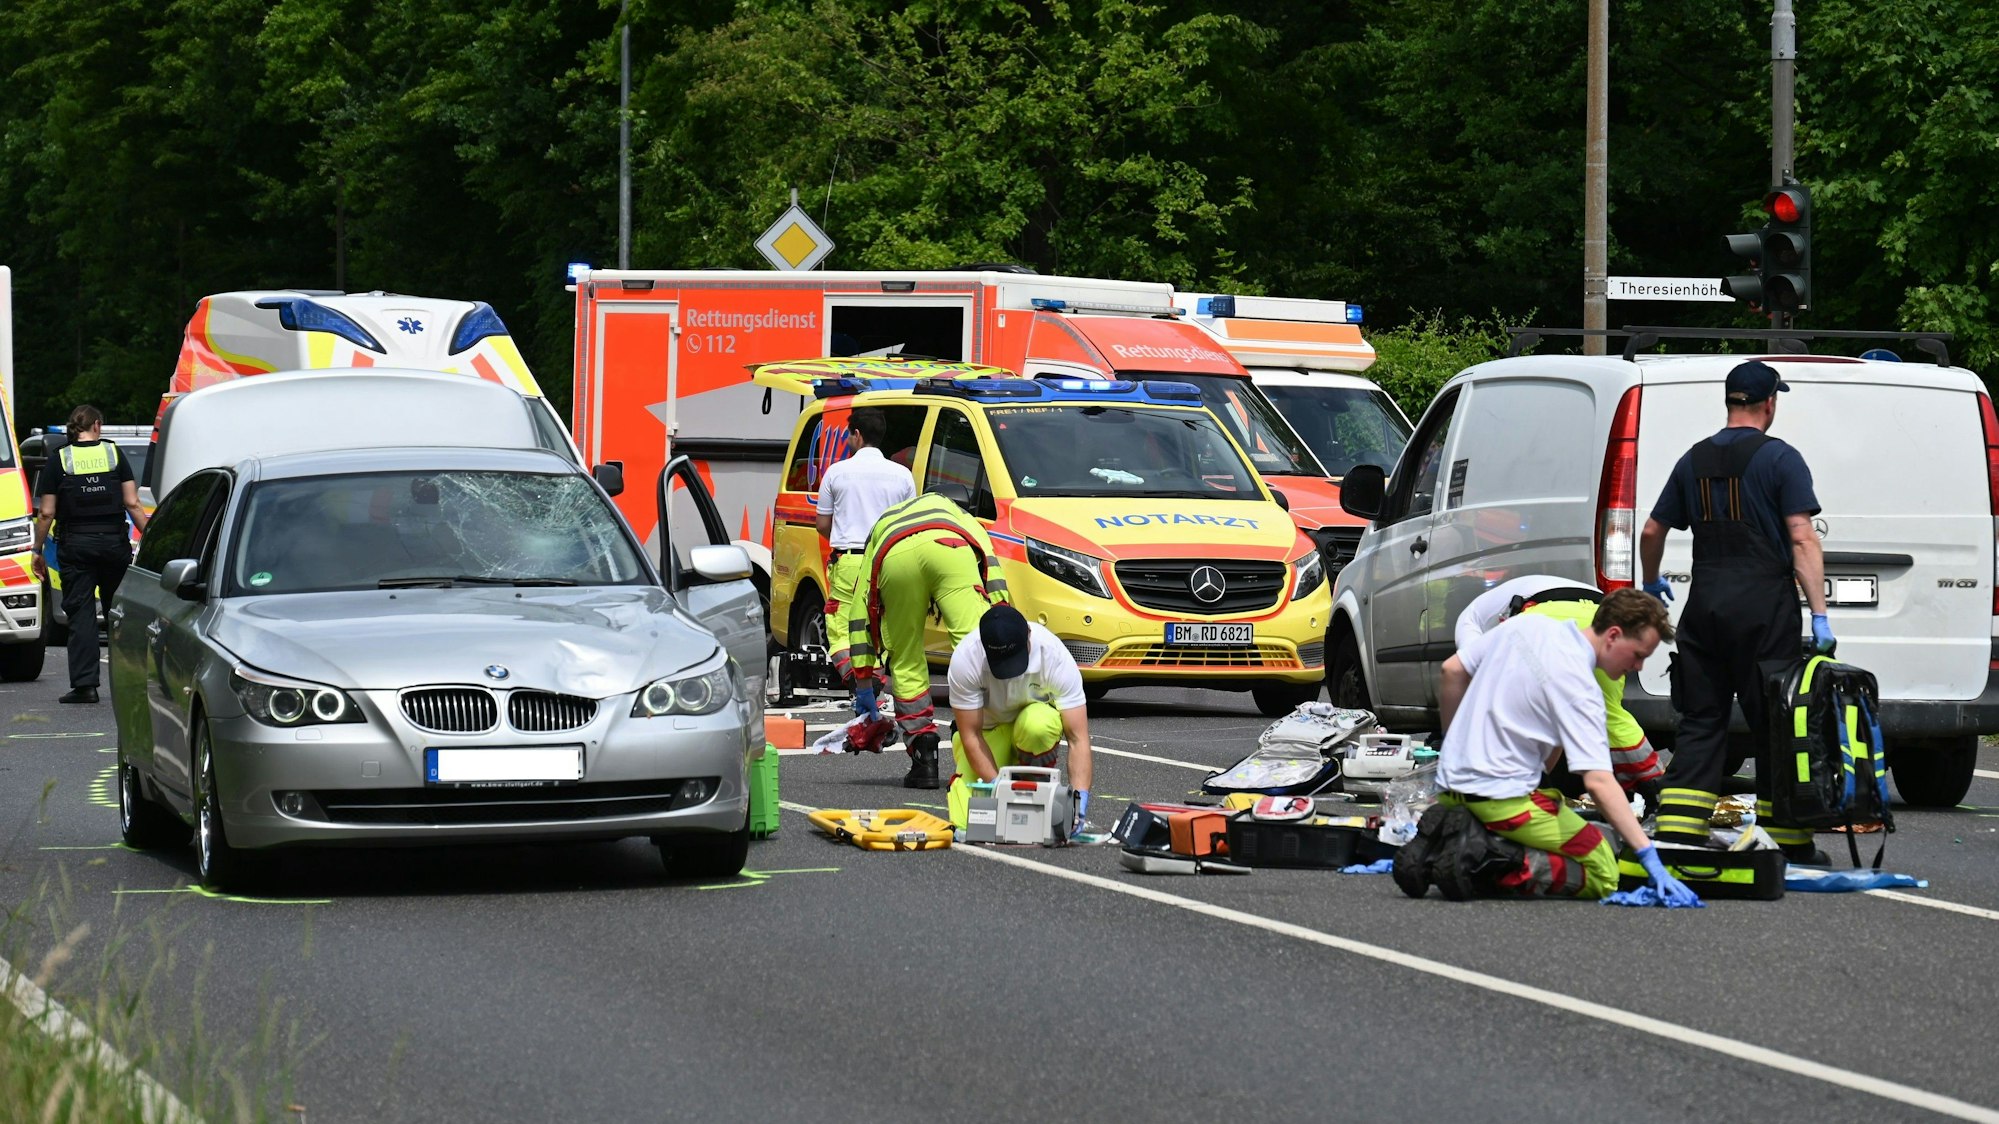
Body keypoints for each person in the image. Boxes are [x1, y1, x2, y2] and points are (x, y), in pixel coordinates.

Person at [1638, 359, 1831, 865]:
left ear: (1730, 402)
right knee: (1775, 722)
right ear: (1769, 403)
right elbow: (1801, 538)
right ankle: (1788, 841)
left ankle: (1679, 832)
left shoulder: (1693, 459)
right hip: (1764, 608)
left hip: (1705, 605)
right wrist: (1819, 614)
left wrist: (1651, 582)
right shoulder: (1781, 459)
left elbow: (1652, 531)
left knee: (1701, 719)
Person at [1397, 589, 1698, 904]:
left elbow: (1453, 670)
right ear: (1613, 635)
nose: (1638, 667)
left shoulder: (1528, 624)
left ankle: (1453, 843)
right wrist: (1648, 855)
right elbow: (1598, 782)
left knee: (1554, 810)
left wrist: (1453, 746)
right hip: (1503, 802)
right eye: (1638, 655)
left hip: (1451, 788)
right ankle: (1482, 858)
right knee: (1604, 868)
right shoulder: (1582, 689)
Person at [1453, 575, 1666, 801]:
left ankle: (1522, 785)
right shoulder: (1490, 607)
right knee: (1610, 713)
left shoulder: (1470, 625)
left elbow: (1469, 676)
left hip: (1545, 617)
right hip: (1599, 615)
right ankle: (1654, 785)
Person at [852, 489, 1010, 788]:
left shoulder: (882, 526)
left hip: (895, 556)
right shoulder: (960, 516)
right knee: (974, 647)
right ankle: (974, 742)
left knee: (906, 658)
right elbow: (993, 572)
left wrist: (863, 684)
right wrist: (1004, 625)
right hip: (950, 548)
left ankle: (924, 756)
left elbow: (860, 610)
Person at [32, 406, 150, 704]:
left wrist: (37, 550)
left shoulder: (59, 459)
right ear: (97, 425)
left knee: (81, 615)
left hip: (76, 547)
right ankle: (132, 684)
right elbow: (133, 503)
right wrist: (152, 538)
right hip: (113, 544)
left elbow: (46, 512)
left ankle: (85, 686)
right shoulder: (113, 453)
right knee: (119, 615)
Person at [945, 602, 1095, 833]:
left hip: (1030, 726)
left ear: (1028, 636)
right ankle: (1010, 788)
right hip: (988, 733)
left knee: (1038, 726)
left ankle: (1034, 786)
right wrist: (998, 789)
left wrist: (1079, 798)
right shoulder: (966, 659)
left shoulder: (1053, 654)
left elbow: (1078, 738)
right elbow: (971, 735)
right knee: (968, 823)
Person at [814, 408, 915, 693]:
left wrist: (842, 537)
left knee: (843, 626)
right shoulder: (903, 476)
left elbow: (822, 524)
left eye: (848, 435)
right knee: (879, 625)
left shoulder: (836, 473)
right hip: (889, 562)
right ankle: (875, 681)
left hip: (850, 561)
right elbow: (909, 526)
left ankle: (858, 680)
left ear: (857, 435)